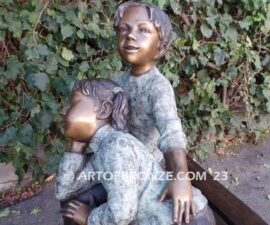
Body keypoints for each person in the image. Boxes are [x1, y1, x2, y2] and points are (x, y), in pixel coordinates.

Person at [55, 78, 215, 225]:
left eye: (73, 103)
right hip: (175, 218)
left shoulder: (116, 146)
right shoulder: (102, 153)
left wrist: (90, 217)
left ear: (104, 109)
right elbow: (64, 191)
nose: (63, 111)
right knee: (74, 202)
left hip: (185, 218)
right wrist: (76, 147)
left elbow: (123, 213)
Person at [115, 2, 195, 223]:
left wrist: (180, 176)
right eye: (124, 29)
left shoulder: (157, 87)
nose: (130, 36)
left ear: (160, 46)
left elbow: (171, 130)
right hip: (122, 162)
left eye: (143, 30)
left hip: (147, 170)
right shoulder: (122, 80)